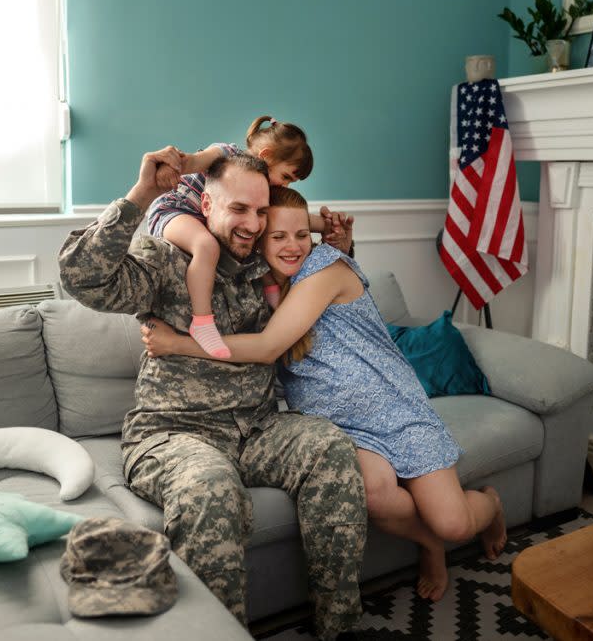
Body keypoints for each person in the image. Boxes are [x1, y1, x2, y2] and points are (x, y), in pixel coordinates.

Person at [142, 187, 507, 603]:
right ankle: (430, 544)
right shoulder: (261, 289)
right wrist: (308, 223)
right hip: (340, 426)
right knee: (372, 494)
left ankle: (489, 506)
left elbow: (265, 348)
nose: (294, 245)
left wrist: (178, 344)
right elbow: (217, 221)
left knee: (454, 524)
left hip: (395, 408)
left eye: (302, 234)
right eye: (278, 236)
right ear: (259, 238)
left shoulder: (327, 267)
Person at [58, 147, 366, 640]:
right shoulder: (167, 261)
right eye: (238, 209)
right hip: (175, 435)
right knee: (210, 489)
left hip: (259, 428)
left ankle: (339, 626)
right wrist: (142, 195)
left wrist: (343, 246)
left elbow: (328, 295)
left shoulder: (269, 265)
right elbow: (81, 277)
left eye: (261, 211)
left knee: (328, 445)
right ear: (206, 207)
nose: (251, 223)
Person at [145, 116, 352, 359]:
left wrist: (328, 224)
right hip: (176, 210)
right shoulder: (226, 154)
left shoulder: (260, 189)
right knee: (206, 246)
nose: (286, 186)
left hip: (202, 216)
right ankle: (202, 322)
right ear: (265, 156)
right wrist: (169, 165)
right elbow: (192, 161)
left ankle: (275, 303)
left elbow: (289, 218)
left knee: (258, 256)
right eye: (286, 177)